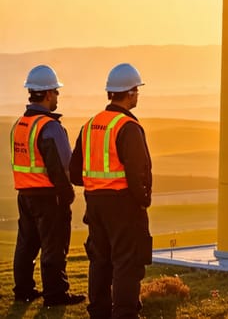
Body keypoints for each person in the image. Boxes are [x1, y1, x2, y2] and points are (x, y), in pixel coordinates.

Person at [70, 63, 153, 319]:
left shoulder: (90, 125)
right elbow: (138, 172)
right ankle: (126, 314)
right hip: (123, 205)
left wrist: (97, 186)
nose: (138, 94)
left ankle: (99, 312)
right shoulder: (128, 127)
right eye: (136, 90)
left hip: (94, 204)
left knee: (100, 260)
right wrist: (143, 201)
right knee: (127, 262)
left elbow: (74, 173)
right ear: (129, 93)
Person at [11, 65, 86, 307]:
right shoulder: (49, 127)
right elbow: (63, 165)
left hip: (25, 194)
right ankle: (56, 295)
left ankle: (23, 290)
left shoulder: (19, 125)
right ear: (47, 93)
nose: (57, 96)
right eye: (56, 91)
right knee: (54, 248)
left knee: (26, 245)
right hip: (49, 197)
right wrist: (68, 195)